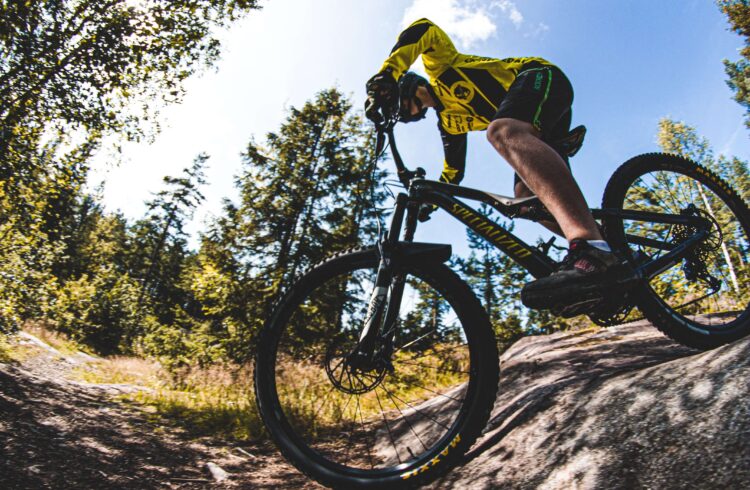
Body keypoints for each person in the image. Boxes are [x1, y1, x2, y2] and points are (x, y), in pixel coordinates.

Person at [365, 18, 626, 314]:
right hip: (537, 123)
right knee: (526, 200)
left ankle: (590, 247)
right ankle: (610, 244)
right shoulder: (450, 123)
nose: (406, 113)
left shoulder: (441, 67)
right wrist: (431, 206)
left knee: (502, 132)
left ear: (406, 87)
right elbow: (453, 171)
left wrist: (388, 72)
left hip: (538, 76)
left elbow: (424, 28)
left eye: (401, 106)